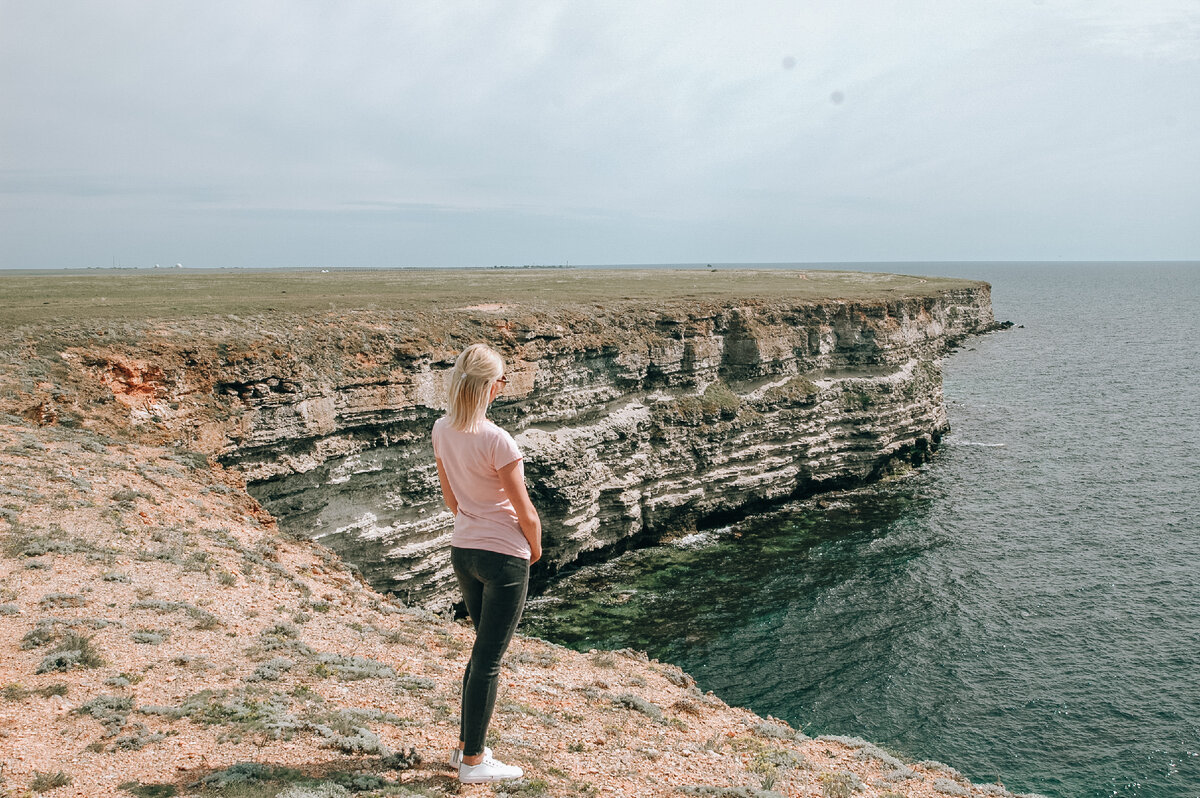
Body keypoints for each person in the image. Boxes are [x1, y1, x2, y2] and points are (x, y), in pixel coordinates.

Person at [432, 343, 542, 784]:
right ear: (490, 386)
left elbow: (450, 500)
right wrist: (533, 549)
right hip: (503, 557)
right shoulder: (498, 439)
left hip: (465, 551)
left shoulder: (442, 428)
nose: (503, 386)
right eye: (502, 379)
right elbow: (526, 511)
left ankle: (464, 748)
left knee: (481, 655)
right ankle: (475, 763)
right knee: (489, 659)